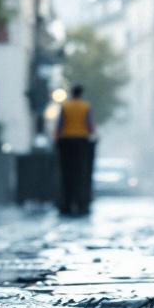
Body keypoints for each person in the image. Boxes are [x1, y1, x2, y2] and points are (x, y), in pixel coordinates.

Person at [55, 85, 96, 215]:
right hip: (82, 143)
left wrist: (57, 138)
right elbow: (90, 126)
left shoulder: (65, 106)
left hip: (66, 142)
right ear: (81, 93)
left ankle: (66, 203)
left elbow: (60, 125)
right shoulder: (86, 106)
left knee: (67, 173)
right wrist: (91, 134)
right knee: (82, 173)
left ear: (71, 93)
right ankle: (81, 203)